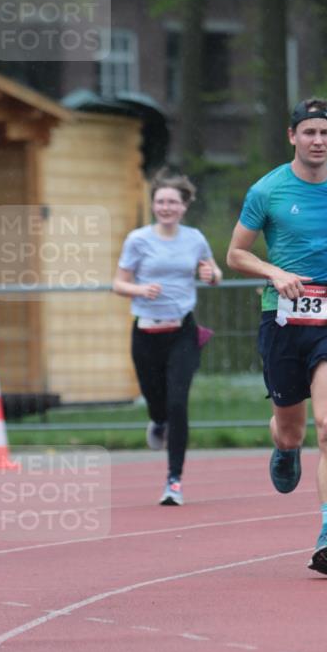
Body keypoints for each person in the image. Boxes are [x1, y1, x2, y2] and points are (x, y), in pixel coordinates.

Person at [227, 97, 327, 576]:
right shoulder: (267, 190)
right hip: (283, 318)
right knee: (292, 428)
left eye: (325, 133)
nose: (317, 141)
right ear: (292, 137)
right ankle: (284, 448)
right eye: (308, 133)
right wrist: (274, 272)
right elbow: (235, 254)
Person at [113, 169, 222, 505]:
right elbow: (118, 283)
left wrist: (211, 274)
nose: (166, 207)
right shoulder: (138, 240)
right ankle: (157, 421)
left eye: (172, 201)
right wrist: (140, 289)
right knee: (157, 402)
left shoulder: (195, 239)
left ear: (184, 206)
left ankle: (173, 481)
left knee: (178, 403)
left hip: (182, 332)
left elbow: (213, 273)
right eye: (160, 201)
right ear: (153, 204)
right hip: (146, 331)